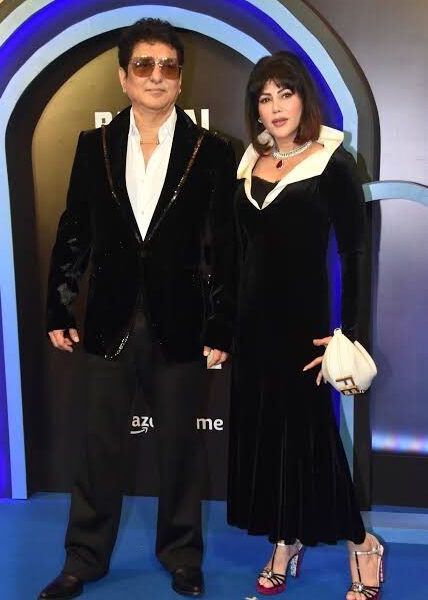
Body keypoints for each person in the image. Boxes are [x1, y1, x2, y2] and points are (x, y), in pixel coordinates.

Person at [39, 18, 236, 600]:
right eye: (144, 65)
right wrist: (58, 306)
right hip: (108, 321)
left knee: (180, 451)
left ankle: (182, 556)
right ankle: (83, 559)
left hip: (182, 324)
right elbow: (74, 231)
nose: (156, 76)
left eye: (168, 66)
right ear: (124, 77)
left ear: (180, 79)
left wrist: (222, 322)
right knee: (98, 448)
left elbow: (224, 246)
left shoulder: (212, 151)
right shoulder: (93, 146)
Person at [227, 51, 384, 600]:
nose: (275, 107)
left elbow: (355, 252)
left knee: (313, 442)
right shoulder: (250, 160)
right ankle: (285, 537)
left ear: (304, 99)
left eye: (285, 94)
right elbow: (238, 251)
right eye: (264, 98)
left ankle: (363, 543)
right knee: (268, 441)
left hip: (305, 330)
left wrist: (349, 335)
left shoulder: (335, 162)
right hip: (253, 329)